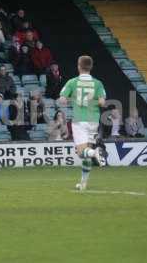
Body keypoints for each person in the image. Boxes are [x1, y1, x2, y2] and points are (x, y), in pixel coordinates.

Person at [59, 55, 107, 191]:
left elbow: (62, 99)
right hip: (94, 120)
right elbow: (103, 102)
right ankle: (83, 183)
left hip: (80, 120)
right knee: (86, 151)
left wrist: (72, 99)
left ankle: (95, 153)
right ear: (90, 67)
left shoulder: (72, 82)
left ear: (79, 66)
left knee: (82, 152)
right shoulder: (98, 83)